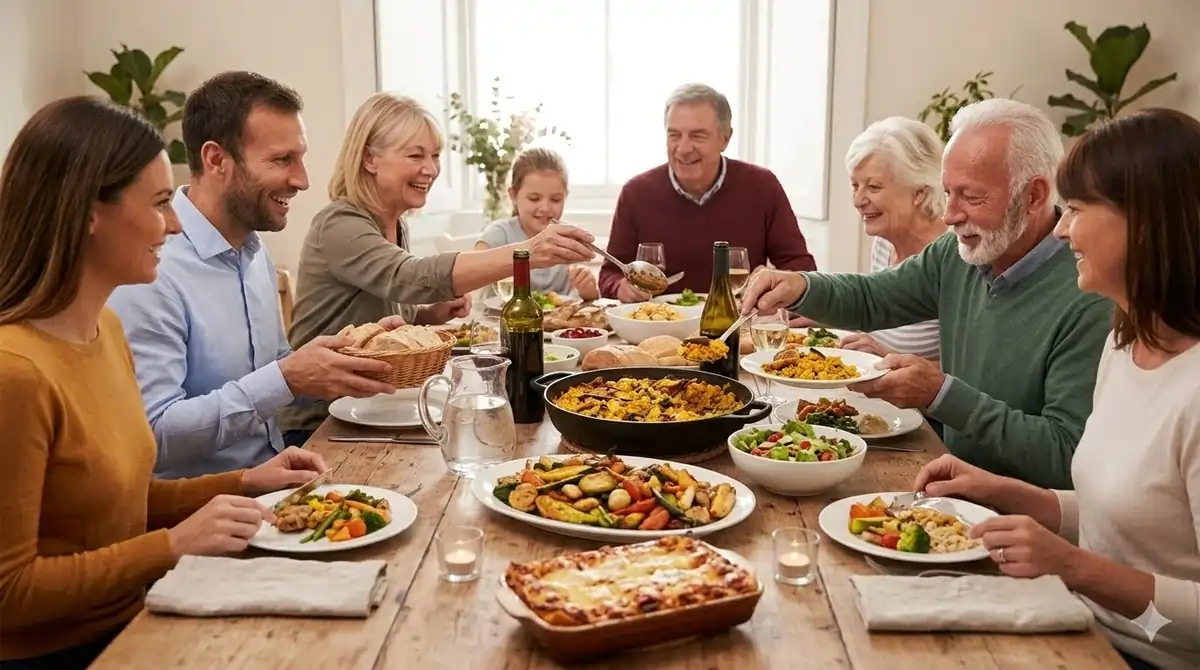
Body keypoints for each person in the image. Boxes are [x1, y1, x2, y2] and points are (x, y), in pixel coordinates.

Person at [0, 96, 327, 670]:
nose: (176, 223)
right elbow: (9, 593)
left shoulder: (102, 328)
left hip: (142, 612)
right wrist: (173, 545)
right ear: (87, 214)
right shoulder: (16, 373)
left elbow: (119, 504)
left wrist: (243, 481)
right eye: (158, 204)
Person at [913, 108, 1200, 670]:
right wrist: (1003, 492)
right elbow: (1119, 518)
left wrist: (1071, 565)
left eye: (1077, 210)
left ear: (1143, 223)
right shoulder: (1126, 342)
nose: (1062, 228)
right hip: (1075, 617)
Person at [740, 99, 1111, 489]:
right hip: (947, 480)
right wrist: (800, 285)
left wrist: (941, 393)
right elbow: (872, 298)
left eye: (970, 196)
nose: (949, 215)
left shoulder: (1088, 294)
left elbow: (1064, 455)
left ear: (1034, 196)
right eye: (948, 192)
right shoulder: (957, 252)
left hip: (1021, 518)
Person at [107, 71, 401, 479]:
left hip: (275, 476)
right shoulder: (152, 272)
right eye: (283, 160)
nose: (302, 179)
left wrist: (351, 352)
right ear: (216, 160)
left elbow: (273, 368)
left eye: (300, 158)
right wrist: (286, 378)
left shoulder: (250, 247)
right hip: (205, 512)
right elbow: (153, 437)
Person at [280, 93, 596, 440]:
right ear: (370, 158)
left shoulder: (396, 225)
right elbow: (408, 277)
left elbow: (387, 322)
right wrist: (527, 252)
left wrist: (430, 314)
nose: (431, 169)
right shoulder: (340, 223)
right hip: (318, 424)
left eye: (434, 155)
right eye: (416, 155)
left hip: (375, 409)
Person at [599, 83, 817, 302]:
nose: (683, 149)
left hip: (737, 325)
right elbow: (610, 273)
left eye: (697, 136)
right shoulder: (636, 193)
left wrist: (776, 284)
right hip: (660, 326)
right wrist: (620, 287)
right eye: (674, 135)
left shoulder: (762, 186)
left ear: (725, 139)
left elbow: (800, 267)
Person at [839, 116, 946, 360]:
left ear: (919, 192)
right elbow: (875, 326)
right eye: (855, 185)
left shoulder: (955, 257)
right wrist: (829, 316)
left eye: (873, 187)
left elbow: (969, 375)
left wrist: (888, 356)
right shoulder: (884, 242)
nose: (858, 200)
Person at [474, 146, 599, 300]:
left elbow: (584, 301)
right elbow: (471, 271)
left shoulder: (569, 239)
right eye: (534, 198)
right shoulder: (499, 234)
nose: (545, 208)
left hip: (558, 324)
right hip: (501, 322)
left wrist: (588, 291)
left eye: (556, 199)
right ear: (513, 195)